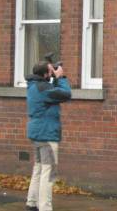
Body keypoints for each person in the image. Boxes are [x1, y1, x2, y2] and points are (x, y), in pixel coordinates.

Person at [25, 61, 72, 211]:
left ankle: (31, 203)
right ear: (45, 74)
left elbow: (53, 90)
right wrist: (62, 77)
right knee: (48, 172)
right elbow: (66, 94)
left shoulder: (33, 85)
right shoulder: (44, 88)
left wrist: (54, 77)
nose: (51, 74)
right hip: (47, 134)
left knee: (38, 168)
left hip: (37, 133)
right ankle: (45, 207)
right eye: (50, 72)